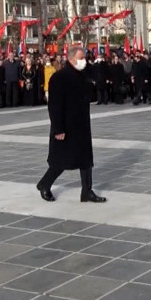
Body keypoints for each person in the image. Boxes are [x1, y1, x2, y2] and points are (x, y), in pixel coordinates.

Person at [36, 46, 106, 203]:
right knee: (61, 161)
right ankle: (44, 184)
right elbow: (54, 106)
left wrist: (88, 65)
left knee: (86, 160)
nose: (84, 61)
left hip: (81, 124)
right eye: (81, 58)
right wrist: (58, 129)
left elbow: (98, 76)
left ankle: (86, 191)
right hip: (66, 126)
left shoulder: (82, 74)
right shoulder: (59, 77)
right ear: (71, 59)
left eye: (85, 58)